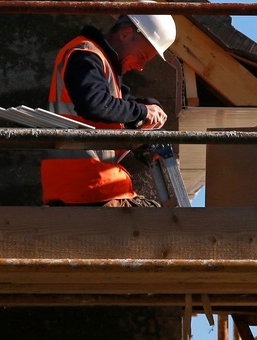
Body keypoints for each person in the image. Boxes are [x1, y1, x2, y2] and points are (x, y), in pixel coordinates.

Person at [41, 13, 177, 206]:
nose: (140, 67)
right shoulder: (86, 55)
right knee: (161, 224)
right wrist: (144, 112)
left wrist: (145, 113)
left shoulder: (104, 65)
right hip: (87, 187)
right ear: (126, 34)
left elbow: (120, 107)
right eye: (141, 56)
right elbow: (95, 104)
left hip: (90, 186)